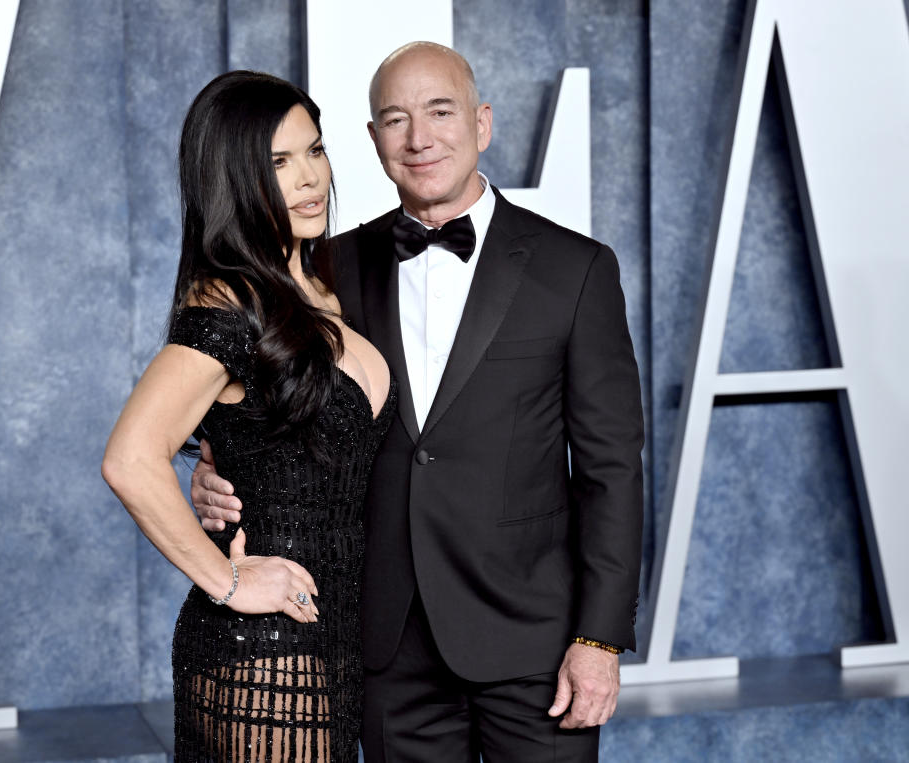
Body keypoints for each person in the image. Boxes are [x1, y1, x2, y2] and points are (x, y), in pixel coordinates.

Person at [195, 42, 644, 762]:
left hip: (534, 642)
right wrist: (212, 466)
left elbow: (611, 468)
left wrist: (599, 637)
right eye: (395, 119)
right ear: (374, 142)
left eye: (440, 112)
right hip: (382, 639)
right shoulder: (326, 267)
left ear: (483, 122)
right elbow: (260, 391)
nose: (419, 137)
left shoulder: (577, 268)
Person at [102, 70, 395, 762]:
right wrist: (228, 580)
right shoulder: (228, 303)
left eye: (315, 151)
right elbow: (130, 457)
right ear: (234, 181)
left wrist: (213, 465)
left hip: (331, 643)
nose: (310, 179)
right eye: (278, 163)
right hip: (264, 656)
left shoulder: (320, 284)